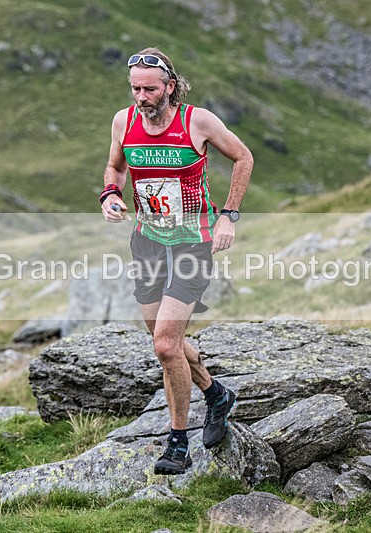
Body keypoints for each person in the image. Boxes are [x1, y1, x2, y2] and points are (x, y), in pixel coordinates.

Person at [100, 47, 253, 474]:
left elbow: (243, 157)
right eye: (135, 89)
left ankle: (178, 443)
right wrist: (110, 194)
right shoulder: (123, 121)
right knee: (164, 344)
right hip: (148, 243)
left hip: (192, 242)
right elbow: (115, 167)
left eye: (150, 89)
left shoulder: (197, 121)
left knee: (166, 345)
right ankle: (216, 392)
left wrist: (229, 216)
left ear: (170, 86)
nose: (141, 97)